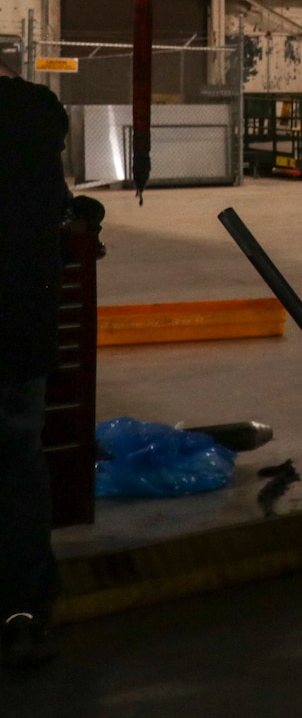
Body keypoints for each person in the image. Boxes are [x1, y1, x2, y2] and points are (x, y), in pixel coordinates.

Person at [0, 53, 70, 671]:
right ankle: (23, 607)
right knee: (19, 464)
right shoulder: (39, 110)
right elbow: (56, 203)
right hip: (22, 330)